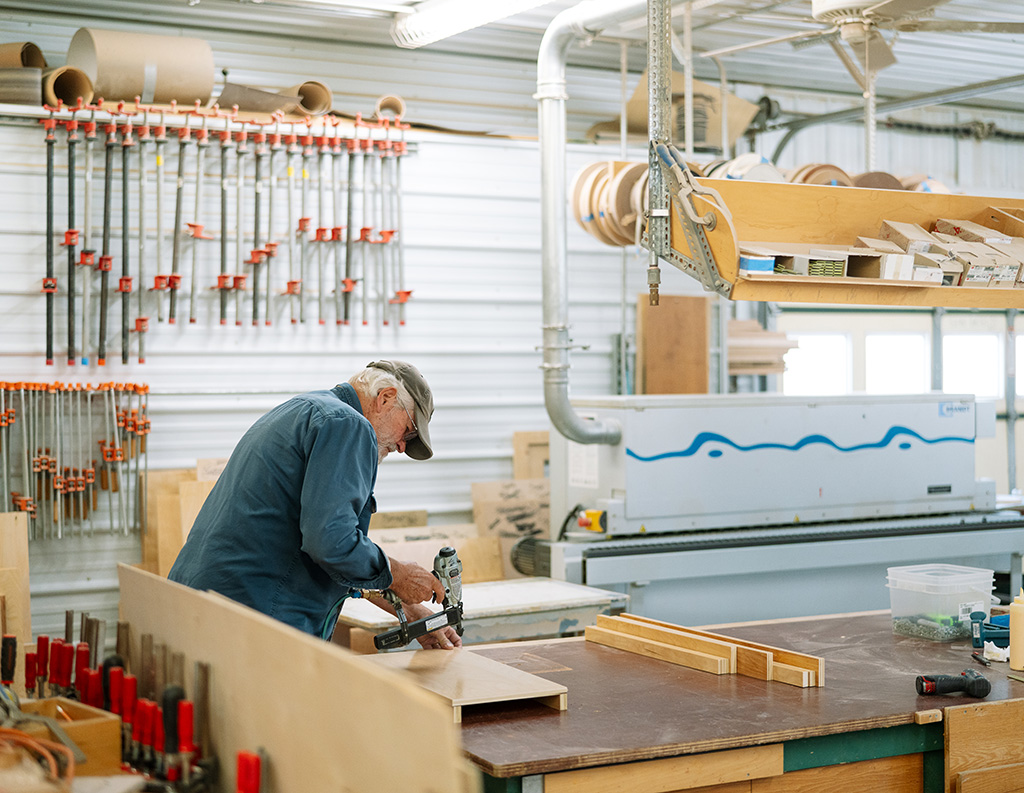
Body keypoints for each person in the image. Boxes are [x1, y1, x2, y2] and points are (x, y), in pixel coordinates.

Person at [168, 360, 461, 650]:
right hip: (252, 619)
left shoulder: (306, 409)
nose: (401, 447)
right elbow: (331, 542)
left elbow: (320, 548)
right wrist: (398, 574)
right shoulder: (348, 424)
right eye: (408, 432)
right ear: (385, 398)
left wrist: (407, 610)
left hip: (206, 605)